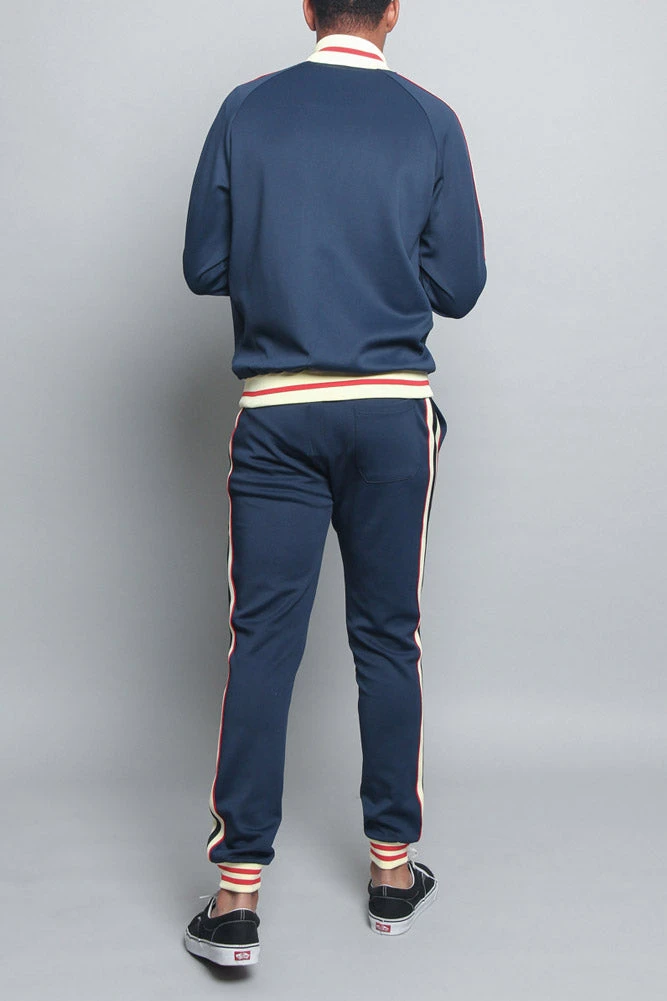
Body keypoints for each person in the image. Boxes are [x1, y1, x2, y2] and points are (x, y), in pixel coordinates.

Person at [181, 0, 486, 966]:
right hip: (391, 414)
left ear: (306, 8)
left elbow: (203, 266)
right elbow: (460, 286)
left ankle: (236, 897)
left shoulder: (247, 108)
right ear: (393, 11)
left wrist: (291, 255)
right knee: (388, 635)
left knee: (262, 641)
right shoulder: (430, 118)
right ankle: (392, 874)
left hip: (278, 411)